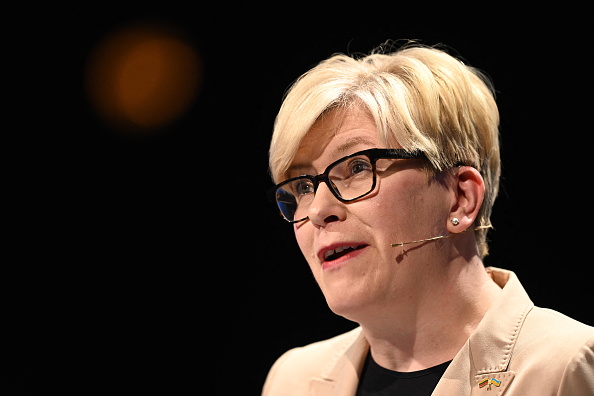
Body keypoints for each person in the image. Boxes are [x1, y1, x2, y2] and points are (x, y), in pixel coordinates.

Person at [262, 41, 594, 396]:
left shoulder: (564, 367)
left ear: (460, 199)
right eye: (302, 186)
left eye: (358, 167)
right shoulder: (292, 379)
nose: (316, 211)